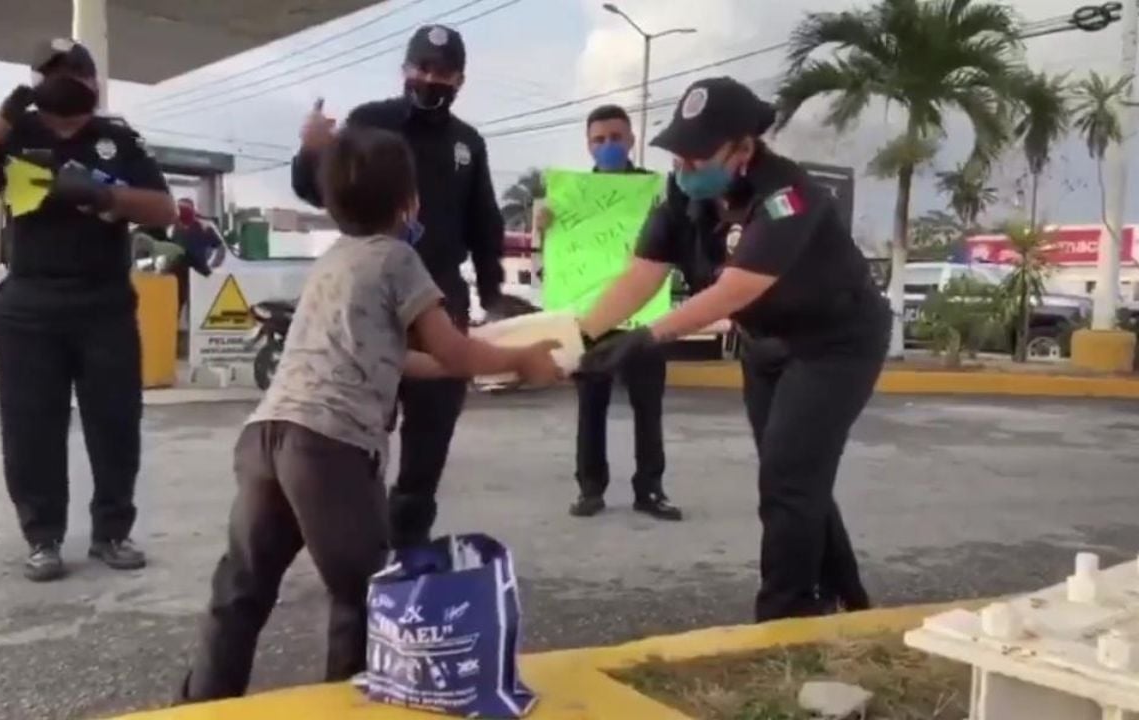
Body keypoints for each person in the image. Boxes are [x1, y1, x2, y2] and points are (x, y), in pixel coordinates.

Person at [177, 126, 562, 702]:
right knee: (364, 597)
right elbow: (453, 349)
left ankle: (200, 707)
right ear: (410, 202)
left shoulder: (333, 260)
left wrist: (491, 367)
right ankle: (352, 708)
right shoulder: (398, 258)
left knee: (243, 588)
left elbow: (399, 357)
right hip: (329, 448)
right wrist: (522, 359)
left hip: (267, 436)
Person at [575, 77, 891, 622]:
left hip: (835, 344)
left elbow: (736, 288)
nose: (685, 169)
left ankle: (785, 617)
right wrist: (581, 336)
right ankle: (848, 600)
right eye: (678, 156)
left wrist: (648, 337)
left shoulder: (790, 195)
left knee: (789, 478)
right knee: (795, 472)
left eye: (698, 158)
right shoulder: (681, 193)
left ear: (744, 149)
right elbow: (642, 275)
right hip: (764, 344)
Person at [0, 39, 176, 582]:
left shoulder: (117, 138)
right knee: (30, 429)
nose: (63, 80)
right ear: (35, 81)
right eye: (49, 73)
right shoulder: (15, 137)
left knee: (115, 426)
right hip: (29, 304)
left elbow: (165, 209)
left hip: (104, 303)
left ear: (92, 82)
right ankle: (43, 539)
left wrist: (105, 197)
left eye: (73, 73)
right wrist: (4, 117)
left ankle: (112, 533)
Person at [291, 24, 530, 548]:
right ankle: (359, 540)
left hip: (439, 295)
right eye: (420, 68)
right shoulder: (369, 123)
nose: (429, 79)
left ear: (459, 79)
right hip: (372, 290)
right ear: (404, 70)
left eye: (442, 72)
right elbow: (320, 191)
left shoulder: (468, 144)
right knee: (358, 432)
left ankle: (408, 543)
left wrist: (491, 297)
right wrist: (310, 152)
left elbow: (485, 224)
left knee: (432, 431)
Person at [535, 105, 678, 521]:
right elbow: (554, 259)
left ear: (631, 140)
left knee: (648, 406)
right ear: (588, 146)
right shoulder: (569, 199)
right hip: (591, 319)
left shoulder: (657, 194)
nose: (609, 146)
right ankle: (590, 489)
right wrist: (543, 225)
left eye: (616, 137)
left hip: (646, 317)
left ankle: (650, 490)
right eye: (599, 140)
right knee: (590, 405)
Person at [169, 198, 224, 315]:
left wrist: (213, 264)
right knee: (175, 305)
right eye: (179, 208)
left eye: (185, 208)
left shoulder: (203, 226)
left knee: (198, 305)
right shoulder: (173, 227)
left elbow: (219, 247)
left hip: (198, 271)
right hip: (178, 272)